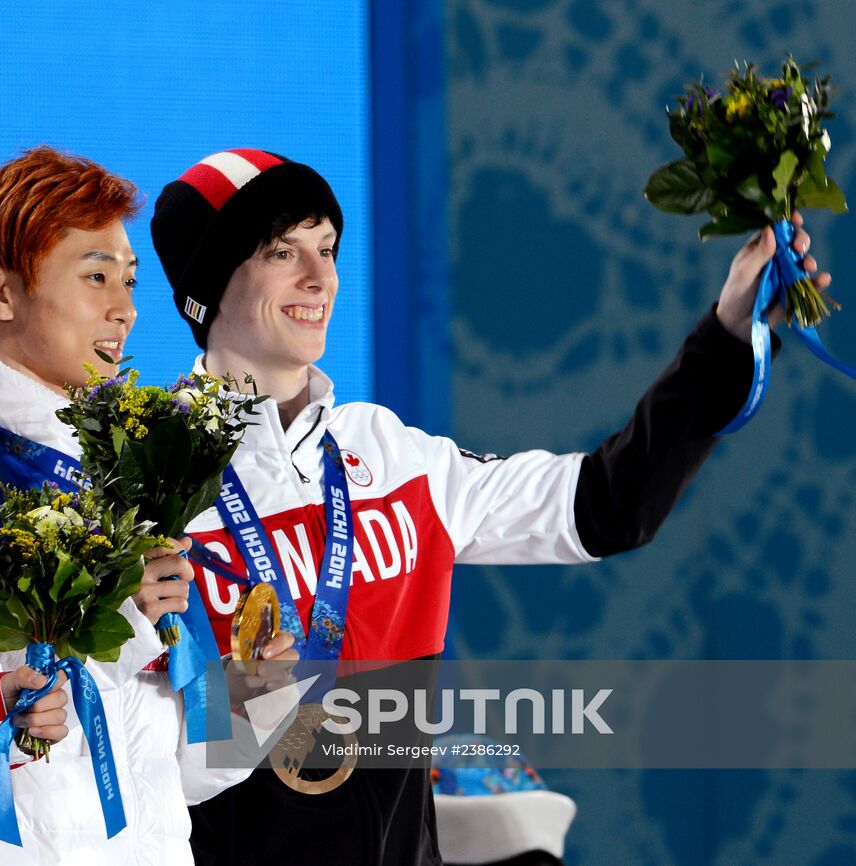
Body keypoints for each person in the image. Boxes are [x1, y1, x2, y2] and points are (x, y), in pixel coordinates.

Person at [148, 148, 830, 865]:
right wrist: (237, 705)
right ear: (207, 288)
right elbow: (134, 760)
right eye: (283, 251)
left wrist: (726, 332)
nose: (320, 279)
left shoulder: (391, 455)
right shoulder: (149, 488)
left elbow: (606, 504)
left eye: (327, 247)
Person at [0, 146, 288, 865]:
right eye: (96, 275)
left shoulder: (133, 480)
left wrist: (249, 694)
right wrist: (119, 616)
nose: (126, 309)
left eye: (129, 280)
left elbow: (182, 771)